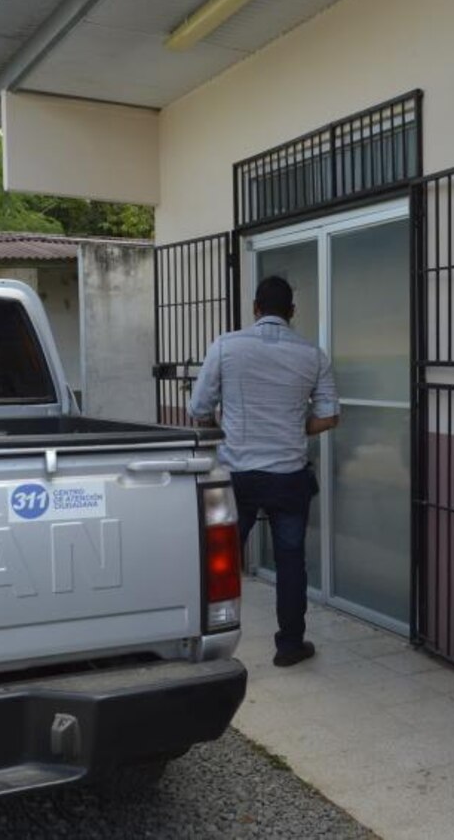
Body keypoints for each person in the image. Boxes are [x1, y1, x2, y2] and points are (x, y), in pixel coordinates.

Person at [188, 275, 339, 667]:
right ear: (292, 312)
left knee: (217, 559)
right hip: (289, 478)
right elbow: (329, 416)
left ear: (256, 309)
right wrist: (292, 426)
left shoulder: (226, 346)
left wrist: (223, 429)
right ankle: (290, 645)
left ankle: (206, 639)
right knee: (291, 562)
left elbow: (199, 408)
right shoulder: (313, 355)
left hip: (238, 476)